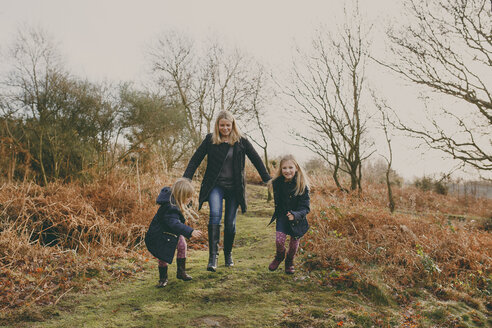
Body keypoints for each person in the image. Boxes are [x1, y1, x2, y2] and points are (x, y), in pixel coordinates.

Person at [183, 110, 271, 272]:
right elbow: (195, 159)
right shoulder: (211, 140)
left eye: (228, 125)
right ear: (217, 125)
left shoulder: (242, 141)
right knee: (214, 215)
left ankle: (228, 255)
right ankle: (213, 257)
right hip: (215, 185)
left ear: (232, 125)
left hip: (235, 187)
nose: (225, 128)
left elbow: (256, 159)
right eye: (222, 125)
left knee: (230, 223)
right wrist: (186, 178)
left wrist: (267, 179)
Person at [145, 178, 203, 287]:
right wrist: (190, 231)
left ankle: (181, 272)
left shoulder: (175, 202)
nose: (190, 199)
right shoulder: (169, 207)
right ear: (181, 196)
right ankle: (163, 278)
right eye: (188, 197)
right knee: (162, 255)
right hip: (161, 234)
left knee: (182, 245)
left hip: (172, 233)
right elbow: (174, 224)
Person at [268, 154, 310, 274]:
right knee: (279, 241)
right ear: (281, 170)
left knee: (293, 245)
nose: (287, 171)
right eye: (284, 168)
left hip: (298, 220)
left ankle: (289, 261)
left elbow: (306, 207)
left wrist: (295, 215)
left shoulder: (302, 185)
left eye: (290, 167)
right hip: (282, 217)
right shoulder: (278, 183)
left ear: (296, 168)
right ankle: (279, 256)